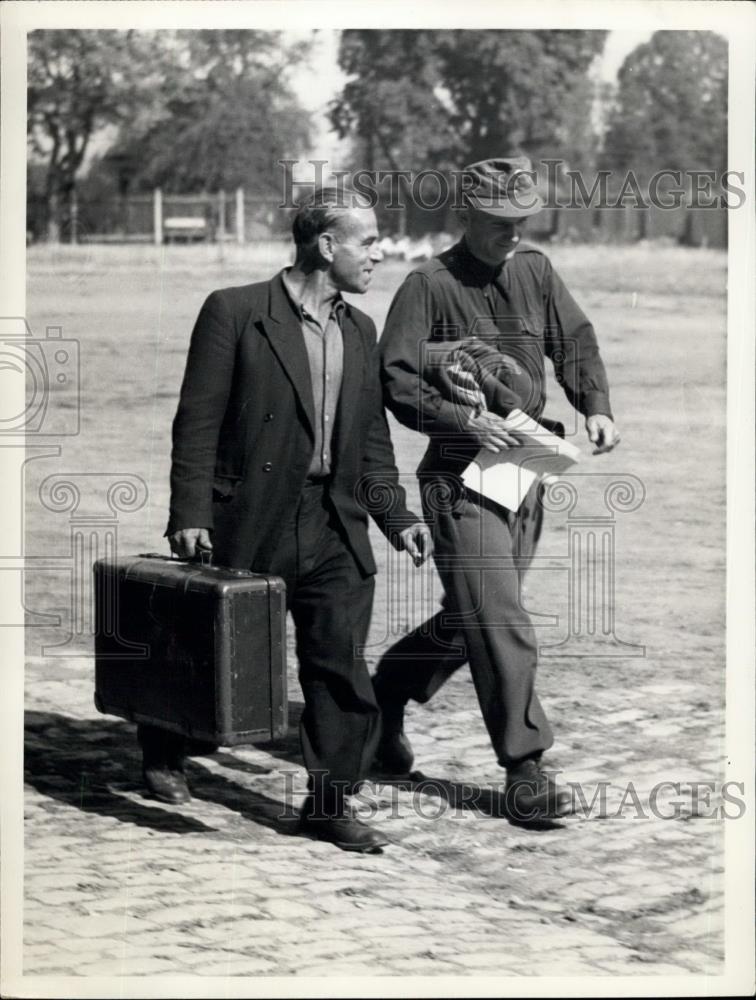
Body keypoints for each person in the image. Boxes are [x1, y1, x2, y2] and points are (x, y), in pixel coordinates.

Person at [139, 186, 432, 853]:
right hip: (249, 517)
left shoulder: (360, 331)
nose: (380, 254)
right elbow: (198, 421)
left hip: (333, 522)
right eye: (369, 241)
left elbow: (371, 444)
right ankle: (162, 740)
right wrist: (189, 511)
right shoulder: (236, 312)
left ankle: (330, 802)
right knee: (215, 651)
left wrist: (397, 516)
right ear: (327, 246)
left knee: (337, 663)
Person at [373, 156, 620, 820]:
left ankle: (384, 694)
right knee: (500, 616)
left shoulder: (535, 270)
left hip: (526, 464)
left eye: (522, 222)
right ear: (469, 216)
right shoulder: (427, 285)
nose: (513, 234)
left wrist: (594, 403)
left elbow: (575, 340)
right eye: (501, 224)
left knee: (474, 618)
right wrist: (463, 418)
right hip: (458, 476)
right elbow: (396, 380)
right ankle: (525, 767)